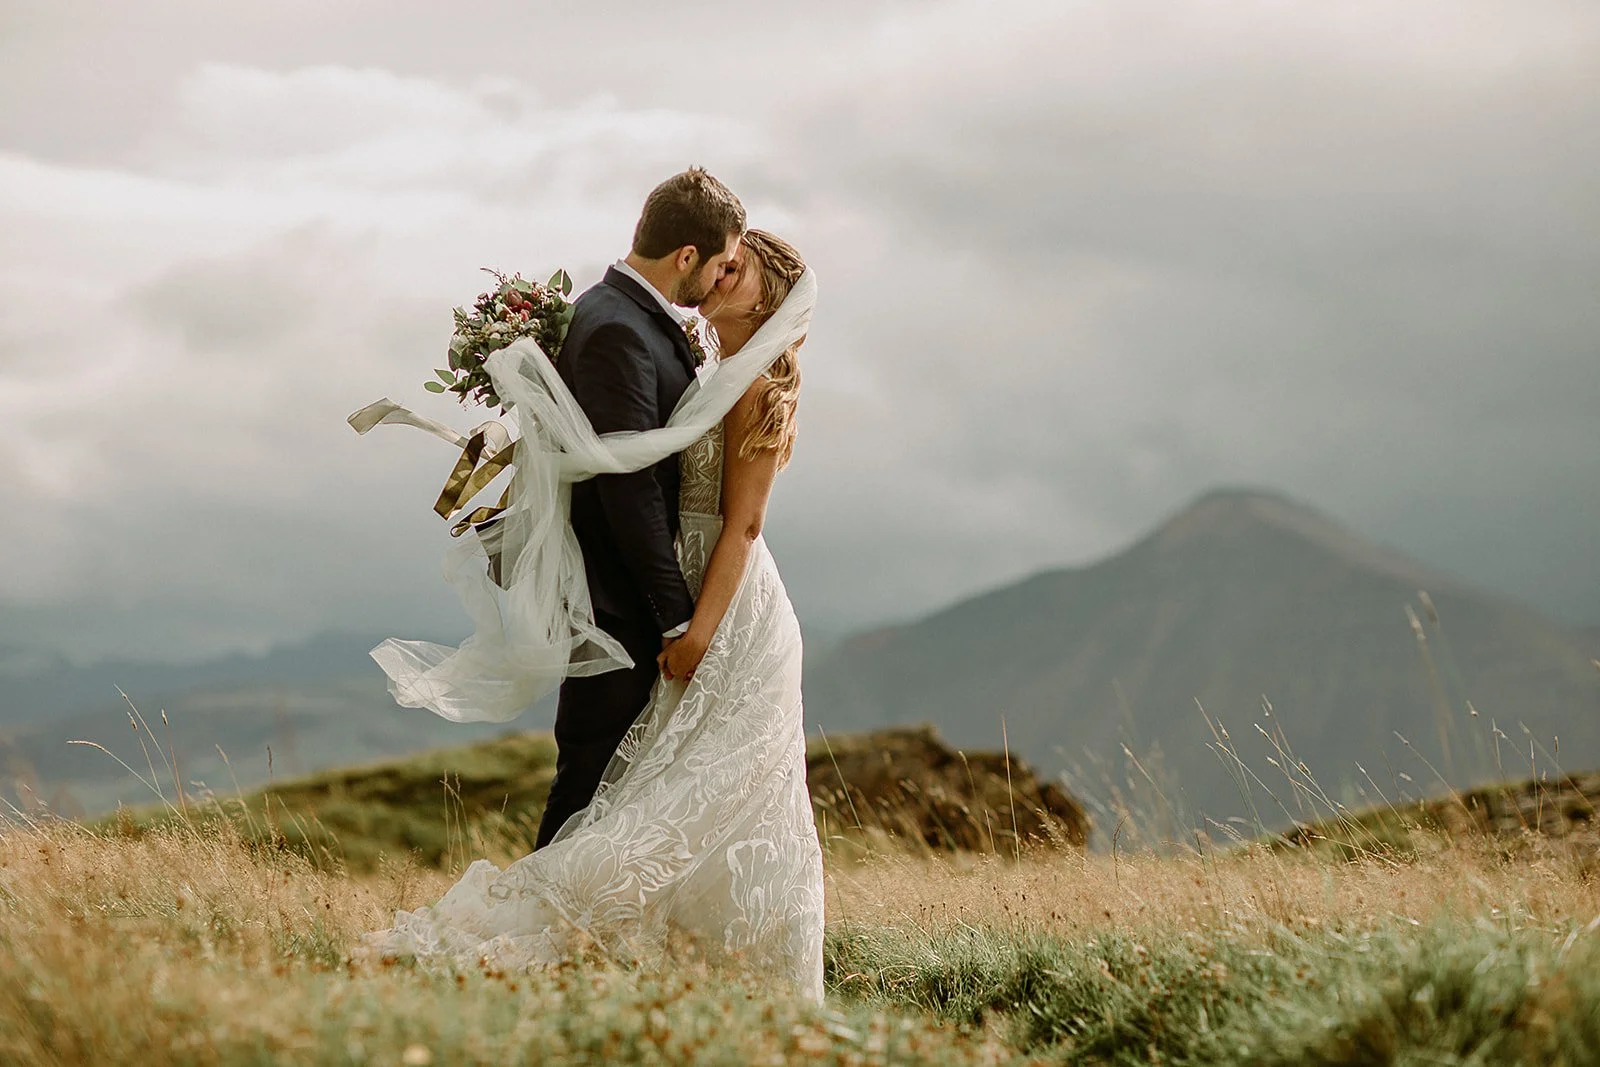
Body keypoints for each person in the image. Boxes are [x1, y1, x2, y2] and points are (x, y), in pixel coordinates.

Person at [361, 205, 825, 1000]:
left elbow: (743, 528)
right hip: (684, 586)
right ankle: (639, 967)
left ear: (768, 299)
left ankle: (732, 980)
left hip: (730, 608)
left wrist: (697, 629)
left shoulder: (758, 392)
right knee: (665, 789)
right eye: (724, 261)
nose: (722, 275)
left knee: (721, 797)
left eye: (738, 269)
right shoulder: (707, 370)